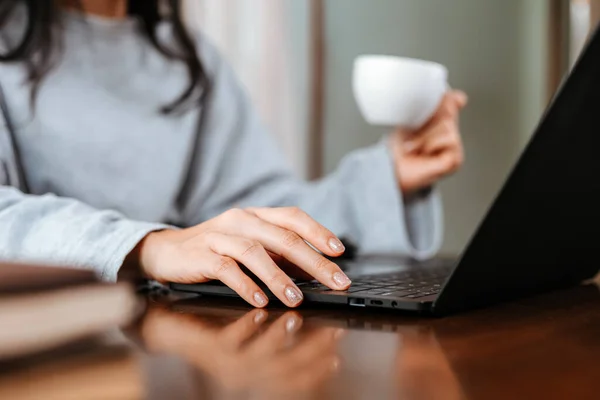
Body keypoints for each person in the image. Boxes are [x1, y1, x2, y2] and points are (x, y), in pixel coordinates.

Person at [0, 0, 467, 308]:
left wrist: (389, 175)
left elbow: (252, 211)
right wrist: (149, 245)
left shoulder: (186, 56)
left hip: (173, 343)